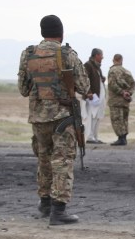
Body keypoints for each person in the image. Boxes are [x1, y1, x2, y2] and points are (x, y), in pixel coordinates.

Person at [17, 14, 90, 225]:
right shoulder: (67, 54)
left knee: (44, 160)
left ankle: (45, 204)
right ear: (61, 33)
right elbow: (85, 88)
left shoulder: (28, 54)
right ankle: (58, 211)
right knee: (62, 161)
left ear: (42, 33)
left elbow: (23, 89)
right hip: (62, 118)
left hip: (38, 118)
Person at [107, 54, 135, 146]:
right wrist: (128, 93)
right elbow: (133, 84)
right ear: (121, 60)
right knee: (124, 119)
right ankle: (124, 138)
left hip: (115, 100)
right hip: (125, 101)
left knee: (116, 119)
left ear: (114, 60)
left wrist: (121, 92)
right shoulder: (127, 71)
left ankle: (121, 138)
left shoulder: (112, 71)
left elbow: (112, 84)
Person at [82, 48, 106, 144]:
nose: (102, 58)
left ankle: (95, 136)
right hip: (92, 97)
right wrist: (88, 92)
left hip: (98, 97)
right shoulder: (88, 65)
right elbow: (84, 80)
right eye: (101, 55)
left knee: (97, 117)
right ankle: (89, 136)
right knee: (91, 116)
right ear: (96, 55)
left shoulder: (97, 67)